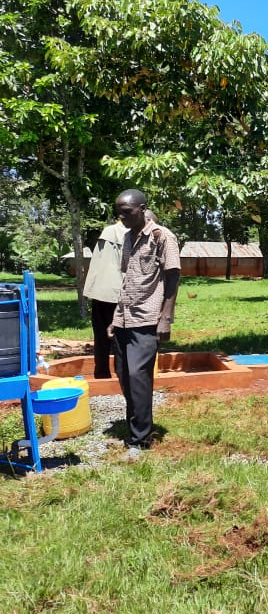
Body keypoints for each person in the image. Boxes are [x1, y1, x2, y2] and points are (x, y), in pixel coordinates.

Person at [111, 190, 180, 452]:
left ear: (141, 209)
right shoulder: (128, 237)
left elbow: (172, 278)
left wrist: (166, 318)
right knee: (124, 376)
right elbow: (129, 279)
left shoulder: (162, 236)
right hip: (124, 318)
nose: (121, 216)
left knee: (137, 376)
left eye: (126, 211)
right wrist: (116, 316)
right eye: (118, 211)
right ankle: (135, 425)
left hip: (147, 318)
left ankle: (141, 439)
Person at [83, 217, 126, 379]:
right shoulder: (128, 233)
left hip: (100, 292)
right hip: (118, 294)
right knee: (119, 339)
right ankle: (122, 377)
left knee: (101, 338)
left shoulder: (107, 232)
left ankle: (101, 373)